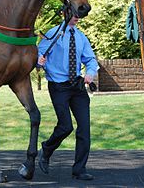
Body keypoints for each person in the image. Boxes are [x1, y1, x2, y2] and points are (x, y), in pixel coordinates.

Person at [37, 15, 98, 181]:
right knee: (66, 126)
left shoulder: (80, 37)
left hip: (77, 87)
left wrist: (90, 73)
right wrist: (39, 61)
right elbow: (39, 52)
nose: (77, 17)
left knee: (84, 129)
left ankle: (79, 170)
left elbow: (91, 59)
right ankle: (46, 149)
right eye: (74, 13)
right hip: (58, 87)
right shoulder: (53, 33)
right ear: (66, 13)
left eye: (79, 15)